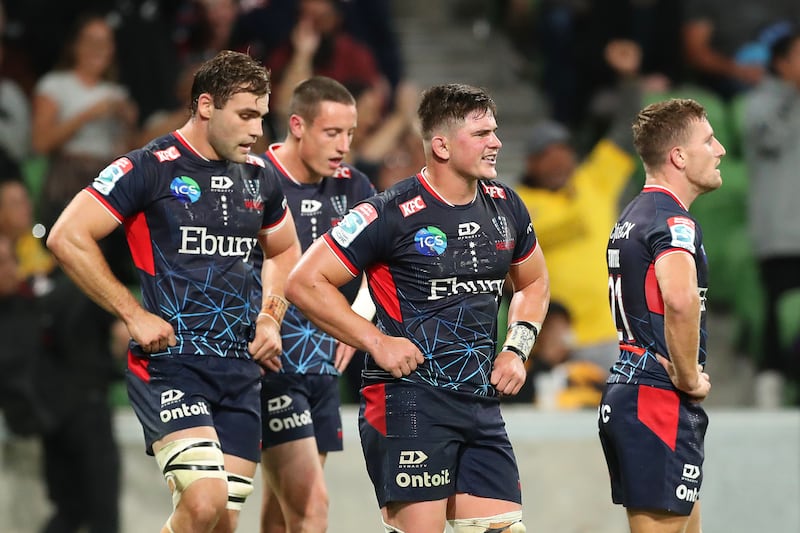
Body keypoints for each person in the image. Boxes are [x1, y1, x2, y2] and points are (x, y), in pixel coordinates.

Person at [46, 50, 302, 533]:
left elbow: (285, 251)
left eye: (262, 117)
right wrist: (131, 312)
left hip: (240, 369)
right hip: (171, 365)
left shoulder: (260, 177)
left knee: (220, 522)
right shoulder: (149, 167)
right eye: (246, 115)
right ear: (206, 105)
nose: (256, 131)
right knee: (205, 502)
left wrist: (271, 315)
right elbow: (67, 236)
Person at [285, 83, 550, 533]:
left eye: (496, 131)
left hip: (479, 403)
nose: (497, 142)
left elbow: (535, 280)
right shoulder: (390, 212)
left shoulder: (507, 206)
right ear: (442, 145)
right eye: (482, 133)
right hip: (408, 400)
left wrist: (517, 348)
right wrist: (377, 341)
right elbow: (304, 281)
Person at [598, 98, 724, 533]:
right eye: (709, 140)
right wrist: (689, 377)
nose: (720, 149)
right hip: (655, 397)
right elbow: (680, 299)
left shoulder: (634, 216)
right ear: (679, 156)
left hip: (638, 390)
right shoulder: (673, 223)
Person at [256, 76, 376, 533]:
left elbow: (384, 265)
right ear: (298, 126)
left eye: (350, 133)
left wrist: (359, 317)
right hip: (270, 363)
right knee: (311, 507)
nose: (344, 145)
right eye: (332, 133)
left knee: (283, 508)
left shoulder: (354, 186)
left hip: (322, 366)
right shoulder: (256, 178)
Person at [514, 40, 645, 375]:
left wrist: (628, 79)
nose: (560, 160)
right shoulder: (514, 204)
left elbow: (625, 131)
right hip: (561, 344)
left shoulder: (593, 181)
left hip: (619, 333)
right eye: (549, 154)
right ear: (531, 162)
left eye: (565, 151)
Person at [742, 31, 800, 406]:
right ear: (780, 62)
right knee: (776, 306)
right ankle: (770, 378)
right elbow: (770, 139)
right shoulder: (759, 104)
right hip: (780, 230)